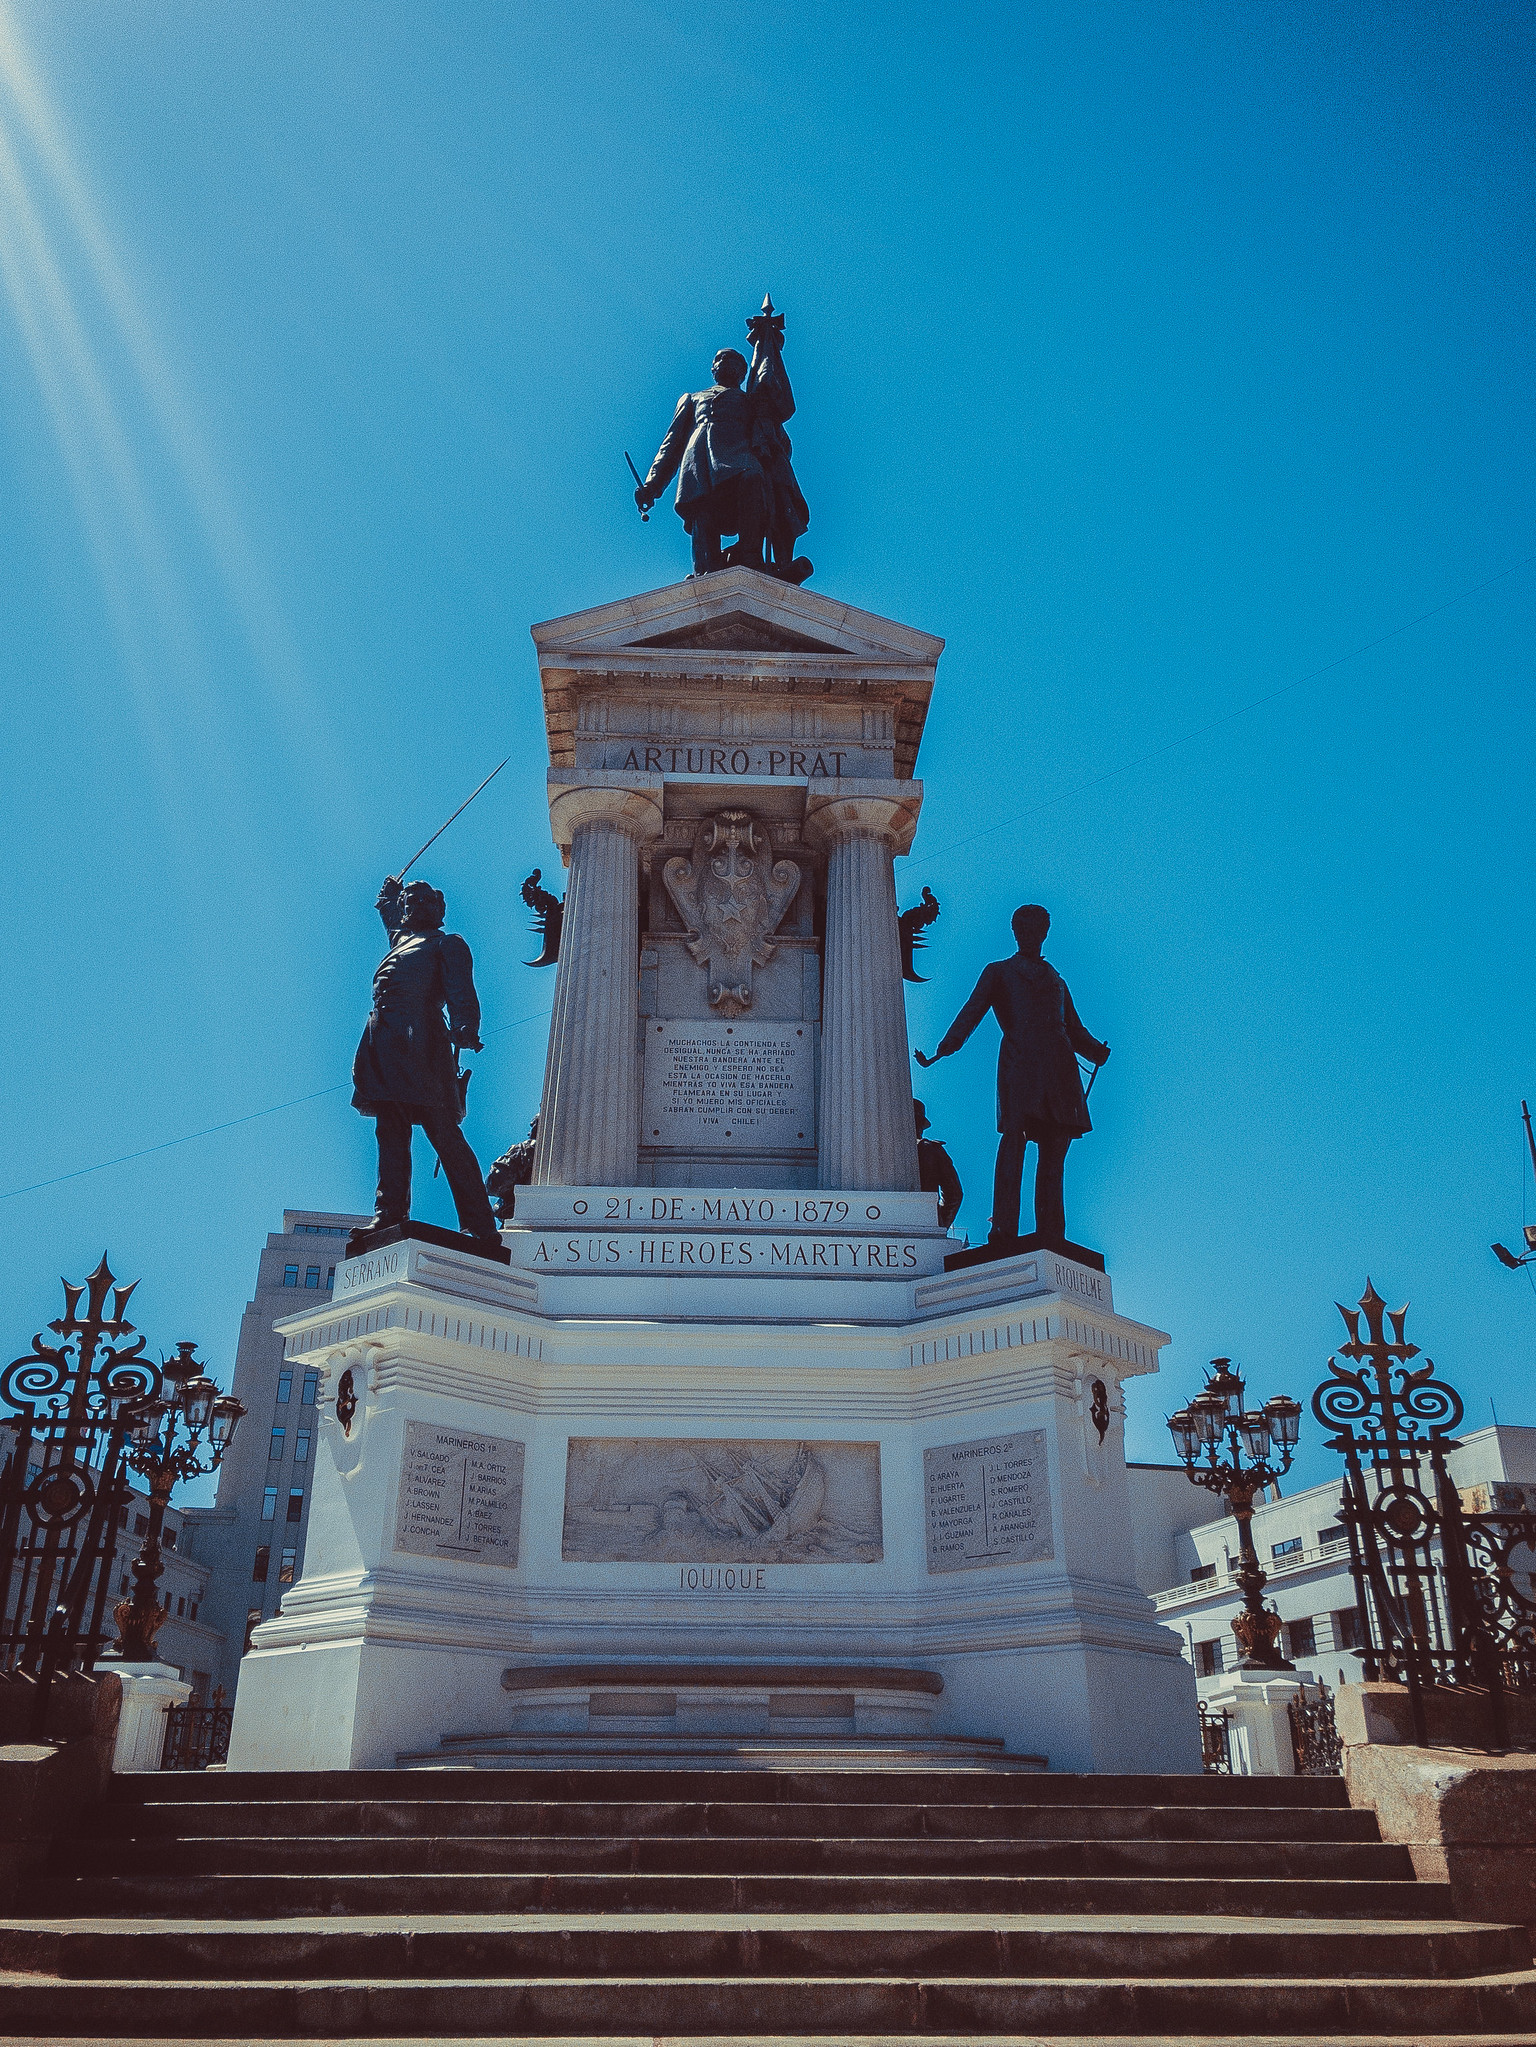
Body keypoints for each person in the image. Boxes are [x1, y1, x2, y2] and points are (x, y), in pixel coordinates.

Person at [915, 905, 1108, 1247]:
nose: (1032, 934)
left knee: (1054, 1154)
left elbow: (1074, 1029)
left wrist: (1096, 1051)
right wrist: (941, 1051)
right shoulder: (999, 972)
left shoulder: (1056, 980)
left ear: (1045, 932)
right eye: (1026, 928)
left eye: (1038, 928)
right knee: (1013, 1144)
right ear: (1016, 932)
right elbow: (970, 1013)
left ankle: (1052, 1233)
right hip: (1020, 1065)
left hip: (1059, 1071)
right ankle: (1003, 1230)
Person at [352, 876, 500, 1244]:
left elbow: (462, 991)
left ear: (439, 909)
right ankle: (388, 1214)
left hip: (424, 1044)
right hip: (384, 1042)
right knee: (390, 1131)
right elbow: (391, 918)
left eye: (424, 902)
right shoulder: (400, 940)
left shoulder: (446, 944)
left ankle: (480, 1224)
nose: (415, 907)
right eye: (409, 902)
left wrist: (466, 1027)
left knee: (443, 1132)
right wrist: (387, 897)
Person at [635, 347, 768, 576]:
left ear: (742, 373)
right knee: (702, 511)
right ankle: (705, 569)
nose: (725, 362)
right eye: (719, 359)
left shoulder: (751, 401)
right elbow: (671, 444)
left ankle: (751, 557)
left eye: (733, 360)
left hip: (739, 454)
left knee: (753, 479)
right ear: (713, 369)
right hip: (700, 460)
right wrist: (652, 485)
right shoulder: (693, 398)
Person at [914, 1099, 964, 1229]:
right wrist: (938, 1224)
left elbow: (954, 1194)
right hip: (927, 1222)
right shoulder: (931, 1149)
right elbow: (954, 1194)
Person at [486, 1116, 539, 1222]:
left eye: (532, 1125)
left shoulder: (524, 1149)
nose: (529, 1133)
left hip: (517, 1219)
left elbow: (495, 1184)